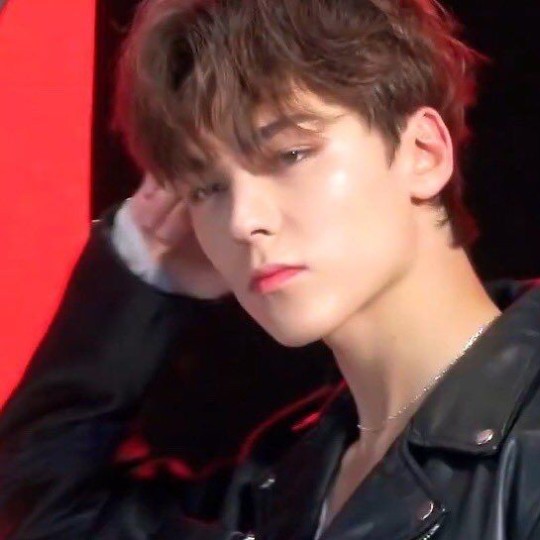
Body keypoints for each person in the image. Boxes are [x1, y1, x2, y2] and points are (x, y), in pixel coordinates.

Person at [1, 1, 540, 540]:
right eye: (208, 188)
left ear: (423, 151)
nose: (242, 220)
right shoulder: (283, 485)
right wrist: (142, 257)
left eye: (291, 154)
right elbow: (45, 509)